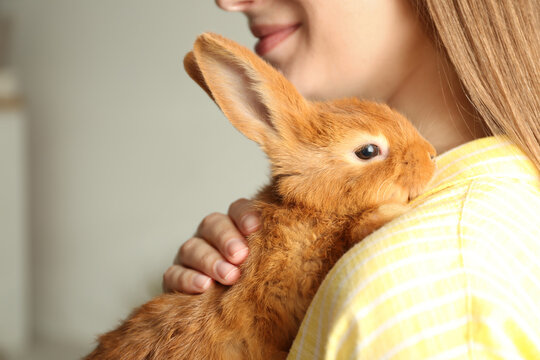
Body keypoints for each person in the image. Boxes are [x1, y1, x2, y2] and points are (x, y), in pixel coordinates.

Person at [164, 0, 540, 358]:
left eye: (367, 151)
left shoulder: (415, 279)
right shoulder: (508, 196)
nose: (228, 3)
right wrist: (196, 327)